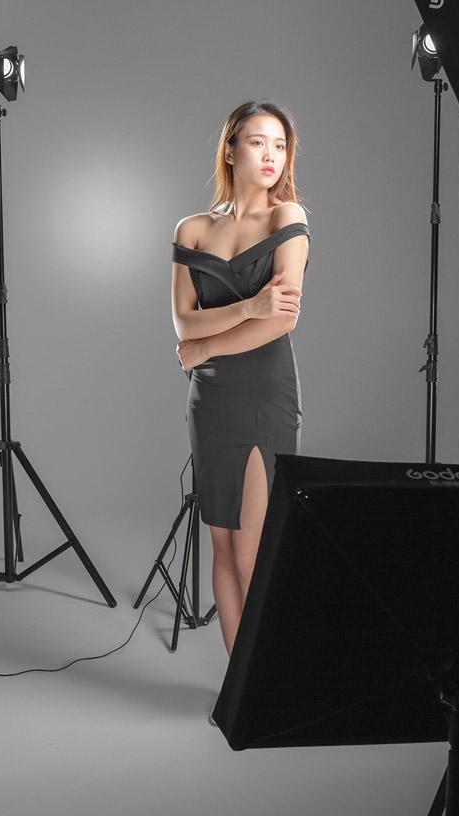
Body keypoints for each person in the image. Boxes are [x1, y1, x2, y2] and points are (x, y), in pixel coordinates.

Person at [171, 100, 310, 662]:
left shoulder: (287, 217)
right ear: (230, 150)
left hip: (263, 396)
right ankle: (238, 687)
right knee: (223, 549)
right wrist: (249, 306)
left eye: (279, 145)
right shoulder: (192, 229)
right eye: (257, 142)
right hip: (211, 402)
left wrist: (204, 347)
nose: (271, 155)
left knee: (253, 556)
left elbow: (282, 320)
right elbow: (184, 322)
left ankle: (266, 684)